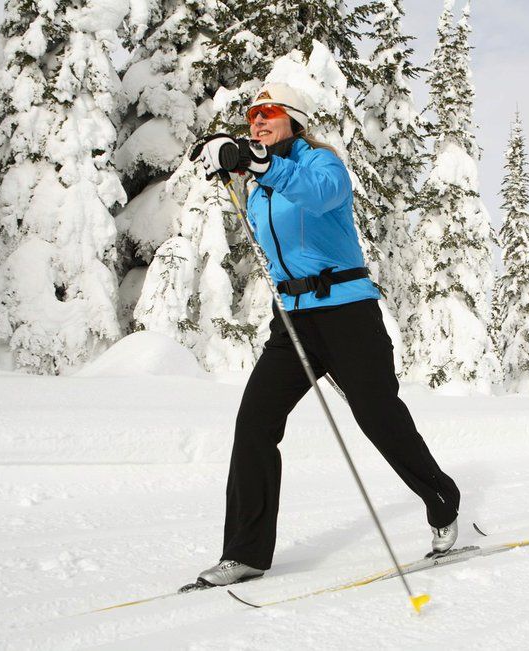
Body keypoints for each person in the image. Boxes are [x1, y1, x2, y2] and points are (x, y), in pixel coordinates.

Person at [179, 83, 461, 591]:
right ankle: (244, 553)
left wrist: (263, 166)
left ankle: (441, 499)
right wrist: (227, 161)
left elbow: (317, 194)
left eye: (268, 114)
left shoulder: (322, 166)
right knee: (255, 422)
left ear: (294, 119)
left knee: (378, 417)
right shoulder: (262, 183)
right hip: (291, 320)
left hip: (347, 312)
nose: (257, 122)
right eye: (251, 117)